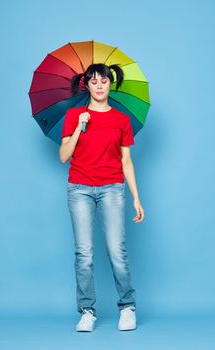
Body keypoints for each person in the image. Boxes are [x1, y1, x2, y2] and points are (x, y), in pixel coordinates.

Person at [59, 63, 144, 332]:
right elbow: (63, 156)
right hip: (79, 189)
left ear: (110, 84)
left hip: (112, 189)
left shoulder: (121, 120)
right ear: (86, 85)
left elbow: (126, 161)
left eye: (103, 81)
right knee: (83, 253)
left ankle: (127, 307)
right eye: (93, 81)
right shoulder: (74, 115)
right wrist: (78, 128)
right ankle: (87, 311)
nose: (99, 85)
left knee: (117, 251)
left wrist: (136, 198)